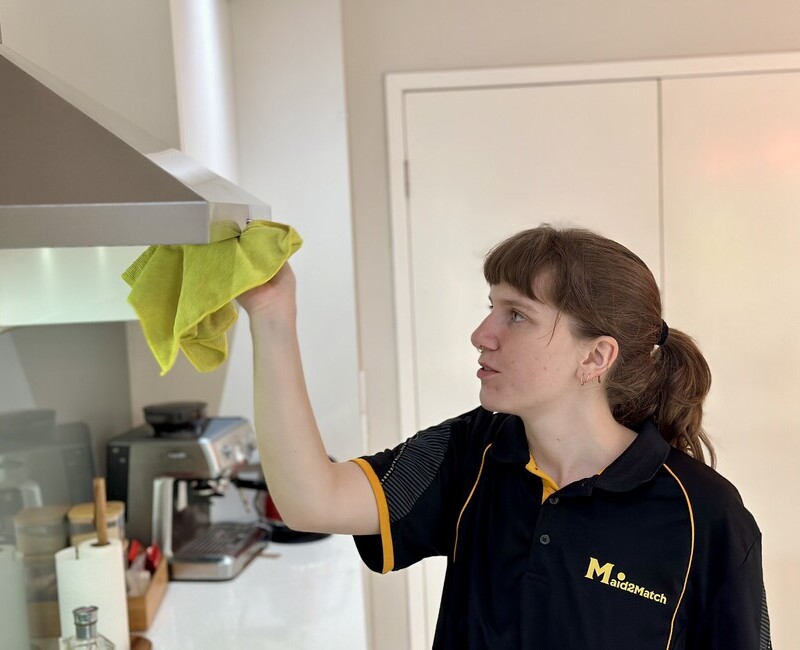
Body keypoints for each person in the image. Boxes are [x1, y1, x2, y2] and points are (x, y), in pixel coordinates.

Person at [238, 224, 771, 649]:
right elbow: (313, 502)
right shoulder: (473, 451)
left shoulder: (707, 517)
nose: (481, 334)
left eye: (516, 315)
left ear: (595, 356)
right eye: (490, 306)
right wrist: (271, 315)